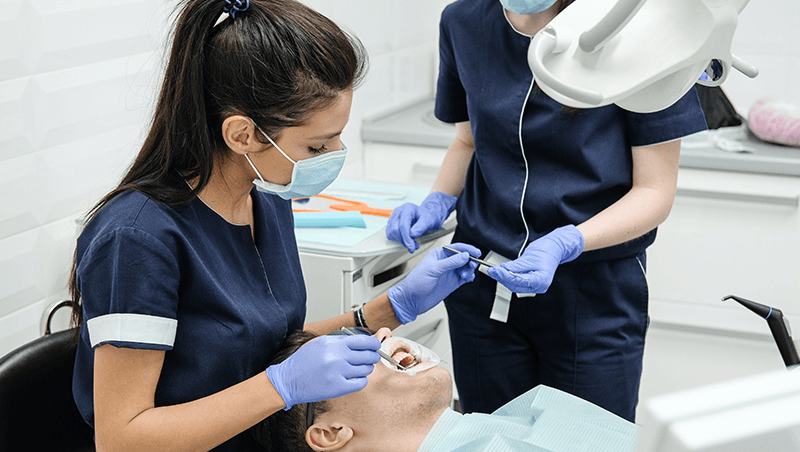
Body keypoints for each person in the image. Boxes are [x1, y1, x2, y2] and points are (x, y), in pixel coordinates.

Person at [68, 1, 480, 451]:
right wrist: (278, 387)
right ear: (242, 135)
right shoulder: (136, 240)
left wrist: (391, 308)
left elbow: (260, 346)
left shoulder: (263, 197)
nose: (334, 155)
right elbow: (121, 439)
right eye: (317, 144)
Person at [385, 0, 709, 422]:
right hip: (481, 281)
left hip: (592, 293)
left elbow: (654, 190)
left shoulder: (638, 31)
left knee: (584, 440)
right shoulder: (463, 20)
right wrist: (438, 199)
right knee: (491, 439)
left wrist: (567, 241)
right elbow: (468, 142)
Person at [252, 329, 639, 452]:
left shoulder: (526, 413)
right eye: (354, 357)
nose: (384, 340)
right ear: (330, 433)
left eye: (365, 338)